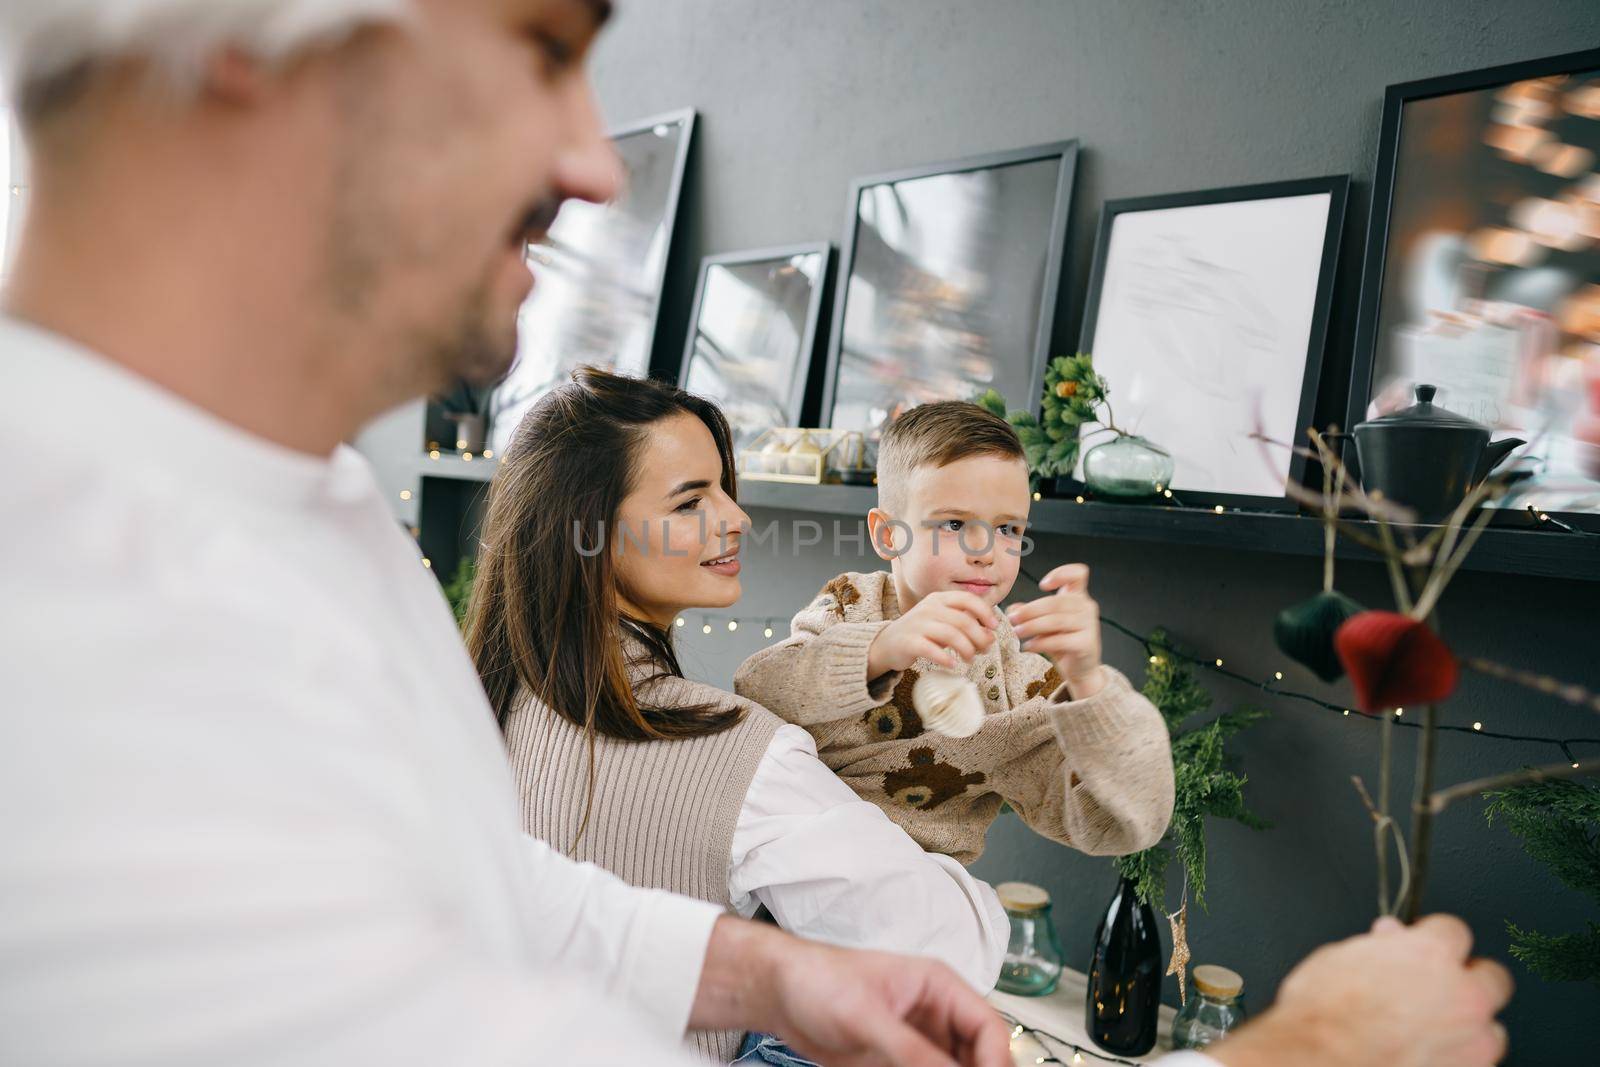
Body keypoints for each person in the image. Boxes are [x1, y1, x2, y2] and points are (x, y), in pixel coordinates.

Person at [0, 2, 1513, 1065]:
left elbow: (471, 877)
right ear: (239, 51)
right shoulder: (80, 632)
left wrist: (764, 964)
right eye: (539, 46)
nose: (597, 164)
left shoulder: (325, 523)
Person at [466, 368, 1010, 1062]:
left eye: (725, 487)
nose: (736, 517)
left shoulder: (486, 700)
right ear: (589, 534)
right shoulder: (742, 755)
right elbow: (955, 950)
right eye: (692, 501)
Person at [736, 400, 1175, 864]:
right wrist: (882, 648)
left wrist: (1089, 685)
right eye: (953, 523)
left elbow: (1123, 826)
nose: (986, 551)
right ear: (888, 536)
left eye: (1008, 528)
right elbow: (759, 689)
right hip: (794, 852)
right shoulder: (851, 605)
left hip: (913, 886)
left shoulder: (1014, 682)